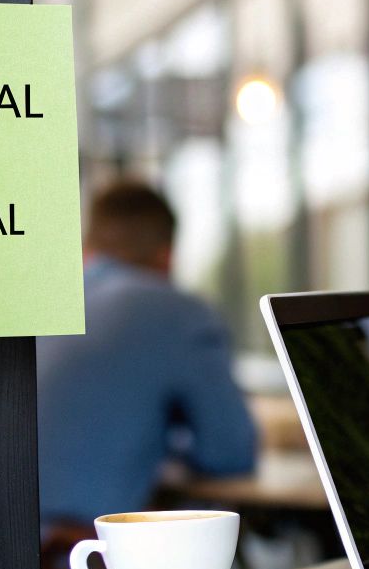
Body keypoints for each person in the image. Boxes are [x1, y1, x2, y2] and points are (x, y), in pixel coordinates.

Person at [36, 180, 257, 532]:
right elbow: (229, 454)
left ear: (87, 248)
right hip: (82, 566)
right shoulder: (180, 314)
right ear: (166, 255)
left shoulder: (37, 305)